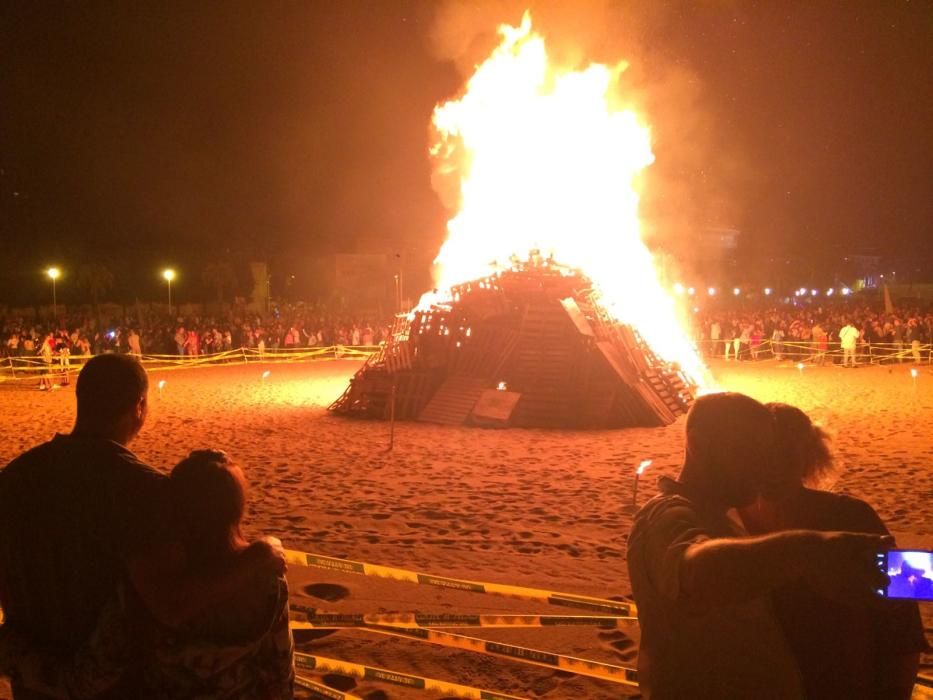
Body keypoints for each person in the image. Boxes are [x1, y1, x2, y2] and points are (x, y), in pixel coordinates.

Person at [0, 354, 284, 699]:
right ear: (139, 406)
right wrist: (260, 555)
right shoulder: (143, 491)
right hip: (117, 686)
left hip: (35, 682)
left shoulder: (13, 479)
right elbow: (172, 605)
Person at [627, 392, 889, 699]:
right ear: (698, 445)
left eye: (768, 453)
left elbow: (904, 598)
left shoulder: (727, 519)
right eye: (748, 451)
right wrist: (809, 550)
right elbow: (698, 573)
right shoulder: (667, 514)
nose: (764, 469)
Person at [1, 451, 294, 699]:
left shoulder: (149, 585)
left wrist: (16, 655)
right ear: (237, 509)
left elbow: (91, 676)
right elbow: (281, 677)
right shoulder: (268, 580)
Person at [738, 403, 926, 699]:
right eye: (766, 452)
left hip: (844, 683)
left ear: (807, 455)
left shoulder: (850, 516)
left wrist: (896, 692)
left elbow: (906, 605)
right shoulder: (731, 521)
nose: (775, 465)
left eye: (788, 452)